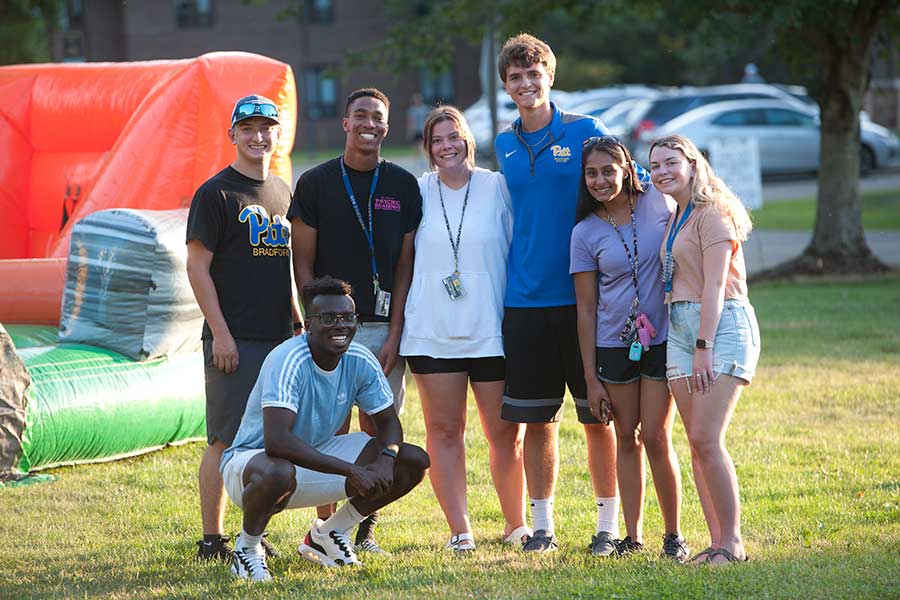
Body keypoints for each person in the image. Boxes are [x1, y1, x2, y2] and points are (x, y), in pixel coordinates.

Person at [494, 33, 649, 553]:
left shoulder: (587, 132)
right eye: (515, 77)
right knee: (537, 421)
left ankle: (606, 528)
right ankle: (543, 528)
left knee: (597, 418)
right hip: (525, 302)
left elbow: (637, 182)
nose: (525, 84)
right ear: (506, 86)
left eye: (533, 74)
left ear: (550, 77)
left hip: (590, 303)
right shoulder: (504, 143)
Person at [220, 276, 429, 581]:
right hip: (254, 462)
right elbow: (277, 442)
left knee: (412, 461)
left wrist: (385, 459)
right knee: (278, 472)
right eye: (328, 318)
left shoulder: (359, 358)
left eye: (347, 317)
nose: (340, 325)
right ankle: (247, 548)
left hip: (313, 455)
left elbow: (388, 424)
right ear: (308, 323)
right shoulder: (288, 358)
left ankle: (329, 534)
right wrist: (351, 471)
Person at [290, 88, 422, 554]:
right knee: (329, 432)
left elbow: (405, 267)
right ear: (346, 123)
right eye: (360, 115)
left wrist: (397, 330)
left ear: (387, 127)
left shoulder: (403, 185)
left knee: (378, 430)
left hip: (383, 327)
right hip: (329, 330)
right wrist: (314, 324)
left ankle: (358, 529)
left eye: (378, 118)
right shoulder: (316, 183)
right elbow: (301, 262)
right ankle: (321, 529)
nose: (369, 123)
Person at [400, 105, 529, 552]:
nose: (447, 146)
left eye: (453, 136)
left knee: (504, 434)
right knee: (444, 431)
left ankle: (516, 525)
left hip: (490, 328)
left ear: (468, 140)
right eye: (437, 140)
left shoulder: (497, 187)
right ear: (428, 149)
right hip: (433, 330)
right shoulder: (417, 192)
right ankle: (461, 530)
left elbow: (520, 246)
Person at [186, 94, 301, 561]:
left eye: (266, 128)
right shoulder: (215, 193)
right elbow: (197, 268)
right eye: (248, 128)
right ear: (232, 134)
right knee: (225, 438)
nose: (258, 136)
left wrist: (295, 319)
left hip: (277, 336)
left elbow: (285, 266)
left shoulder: (282, 191)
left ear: (278, 133)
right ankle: (212, 540)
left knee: (266, 439)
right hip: (235, 339)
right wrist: (222, 334)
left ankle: (253, 534)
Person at [570, 136, 689, 560]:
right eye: (591, 173)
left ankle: (673, 535)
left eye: (607, 170)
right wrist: (590, 378)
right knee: (626, 435)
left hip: (661, 340)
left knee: (656, 435)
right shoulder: (585, 232)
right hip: (613, 346)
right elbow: (585, 310)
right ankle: (633, 535)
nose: (600, 180)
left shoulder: (660, 203)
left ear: (627, 169)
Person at [648, 134, 760, 565]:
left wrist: (703, 346)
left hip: (719, 327)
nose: (662, 172)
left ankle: (732, 543)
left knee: (706, 438)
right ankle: (715, 543)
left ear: (693, 164)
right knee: (696, 444)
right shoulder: (678, 213)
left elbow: (715, 285)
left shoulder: (713, 215)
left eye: (671, 163)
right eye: (655, 165)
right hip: (679, 327)